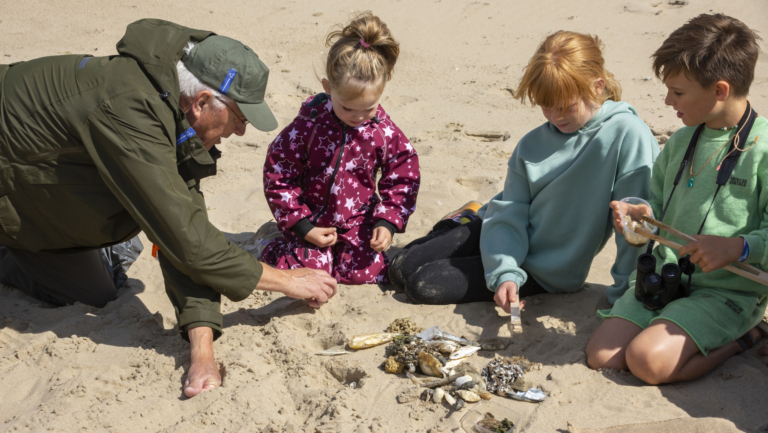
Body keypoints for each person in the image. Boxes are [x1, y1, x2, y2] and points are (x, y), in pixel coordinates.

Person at [0, 19, 337, 397]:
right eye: (240, 117)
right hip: (12, 181)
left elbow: (187, 232)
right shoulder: (130, 112)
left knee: (97, 293)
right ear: (203, 101)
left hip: (30, 196)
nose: (241, 131)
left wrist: (202, 353)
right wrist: (287, 280)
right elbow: (189, 244)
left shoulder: (170, 113)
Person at [388, 30, 659, 312]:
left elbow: (635, 227)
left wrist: (626, 295)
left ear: (597, 86)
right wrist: (505, 272)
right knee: (400, 269)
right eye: (546, 107)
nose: (555, 117)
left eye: (566, 107)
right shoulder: (531, 144)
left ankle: (467, 219)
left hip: (546, 270)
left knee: (421, 285)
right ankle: (465, 218)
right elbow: (511, 210)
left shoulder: (628, 135)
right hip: (500, 231)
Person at [586, 14, 766, 384]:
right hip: (667, 278)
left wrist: (738, 247)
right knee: (602, 357)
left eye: (678, 92)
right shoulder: (682, 140)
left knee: (647, 362)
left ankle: (748, 335)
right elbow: (659, 208)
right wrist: (641, 219)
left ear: (720, 90)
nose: (667, 100)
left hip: (725, 291)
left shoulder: (762, 150)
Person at [261, 12, 420, 284]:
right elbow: (278, 176)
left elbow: (403, 175)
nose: (358, 116)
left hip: (359, 221)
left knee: (365, 274)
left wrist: (387, 223)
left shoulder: (383, 131)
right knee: (314, 272)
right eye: (347, 107)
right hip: (311, 220)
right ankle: (275, 245)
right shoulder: (306, 128)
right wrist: (302, 225)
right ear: (328, 87)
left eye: (368, 108)